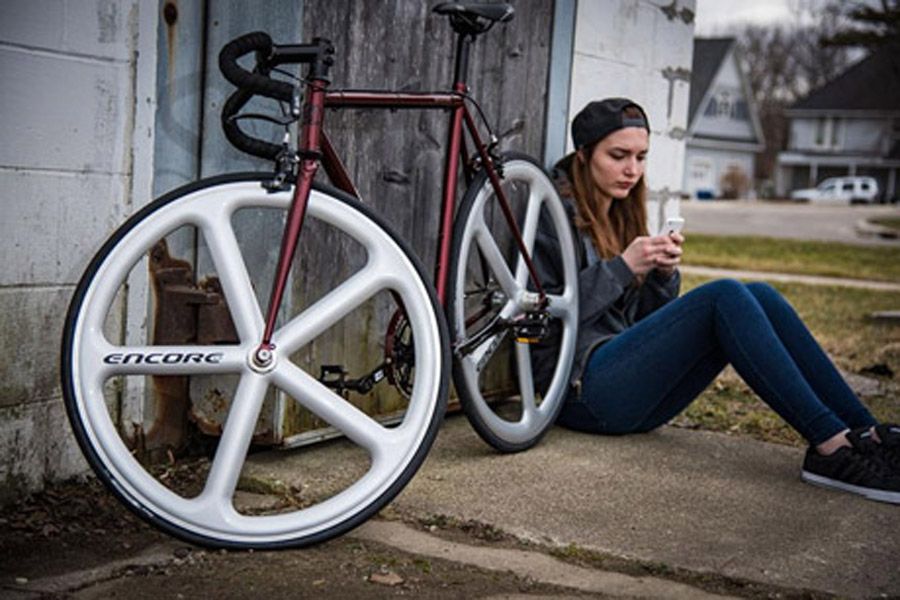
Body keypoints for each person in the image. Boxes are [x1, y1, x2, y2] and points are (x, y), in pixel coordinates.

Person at [534, 97, 900, 504]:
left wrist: (662, 277)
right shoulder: (551, 213)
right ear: (583, 155)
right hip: (581, 393)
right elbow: (543, 317)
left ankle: (865, 435)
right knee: (722, 295)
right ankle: (832, 447)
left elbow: (641, 326)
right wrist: (622, 267)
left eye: (640, 157)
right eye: (618, 156)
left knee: (759, 294)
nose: (632, 171)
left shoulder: (622, 213)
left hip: (623, 387)